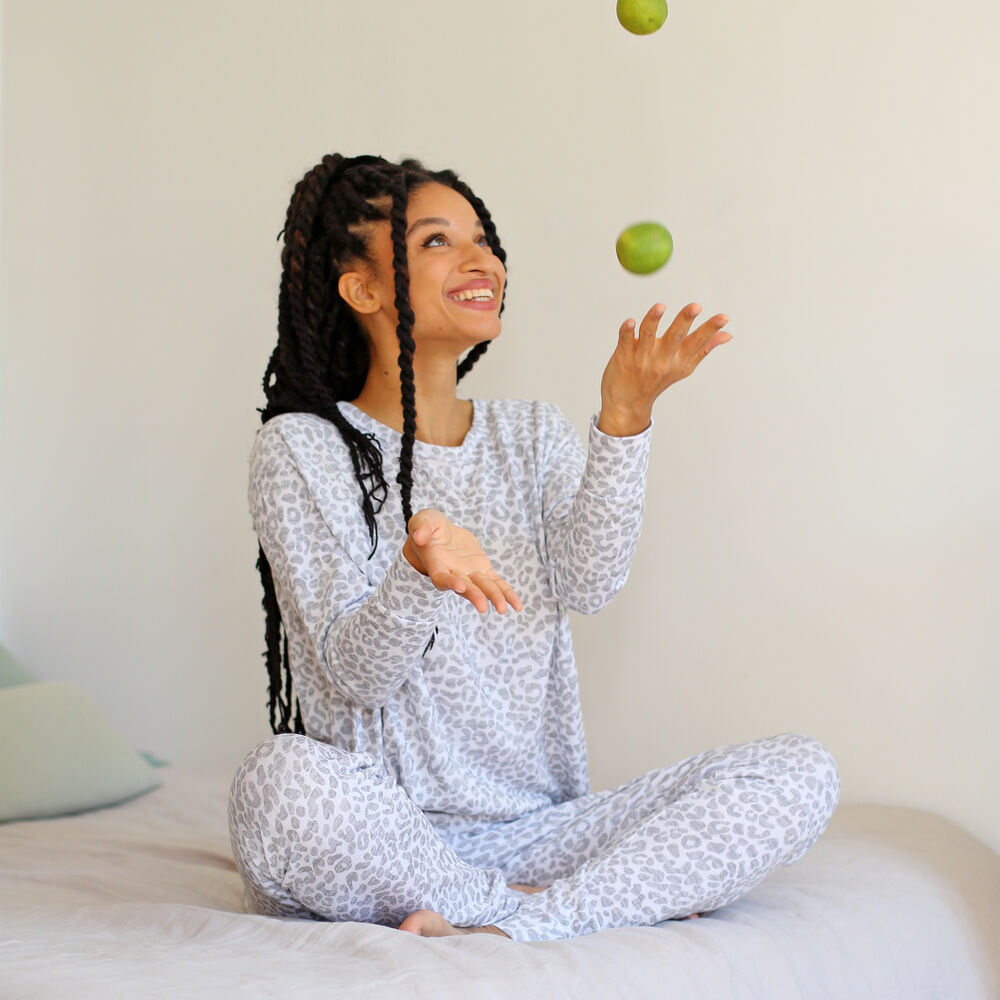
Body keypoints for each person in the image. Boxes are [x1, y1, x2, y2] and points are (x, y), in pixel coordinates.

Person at [227, 153, 840, 942]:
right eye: (437, 242)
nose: (483, 260)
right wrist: (419, 574)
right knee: (275, 782)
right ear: (365, 289)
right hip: (382, 833)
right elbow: (355, 672)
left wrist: (623, 419)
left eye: (484, 240)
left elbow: (591, 582)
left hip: (539, 831)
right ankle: (524, 904)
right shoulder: (304, 449)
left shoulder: (531, 434)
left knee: (798, 770)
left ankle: (518, 917)